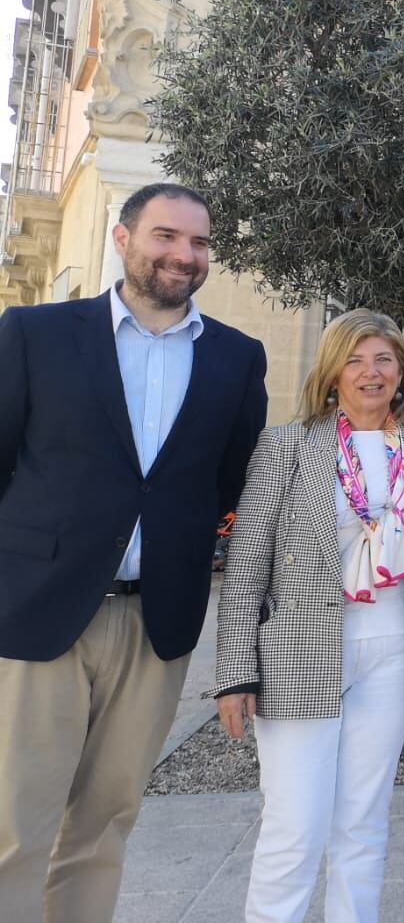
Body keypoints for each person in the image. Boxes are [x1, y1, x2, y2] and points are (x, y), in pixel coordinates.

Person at [0, 182, 268, 923]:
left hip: (157, 620)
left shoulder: (237, 359)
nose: (184, 255)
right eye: (167, 236)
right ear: (123, 239)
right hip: (40, 613)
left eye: (200, 242)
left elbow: (230, 483)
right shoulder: (34, 333)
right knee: (16, 823)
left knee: (107, 819)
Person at [213, 308, 404, 923]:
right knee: (295, 827)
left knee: (364, 823)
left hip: (395, 652)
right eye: (354, 359)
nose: (370, 373)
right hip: (300, 657)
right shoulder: (288, 446)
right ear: (331, 373)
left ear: (401, 370)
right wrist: (235, 671)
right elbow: (246, 568)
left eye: (383, 359)